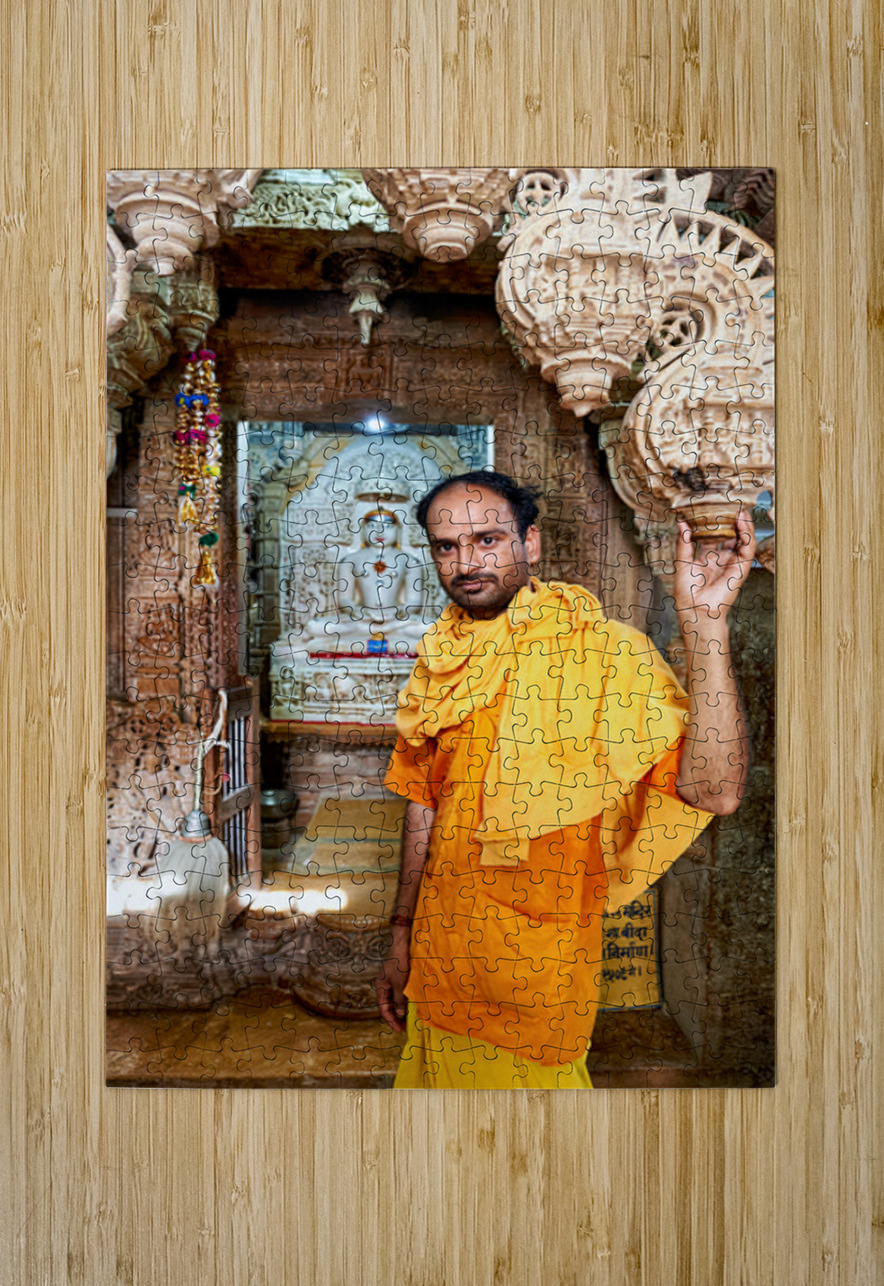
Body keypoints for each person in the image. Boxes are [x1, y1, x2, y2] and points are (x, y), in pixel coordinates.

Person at [375, 470, 756, 1088]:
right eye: (447, 546)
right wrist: (400, 937)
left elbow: (716, 791)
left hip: (536, 978)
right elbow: (424, 806)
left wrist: (705, 626)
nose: (466, 561)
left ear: (531, 543)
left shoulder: (608, 654)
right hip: (439, 965)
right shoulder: (440, 660)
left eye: (488, 540)